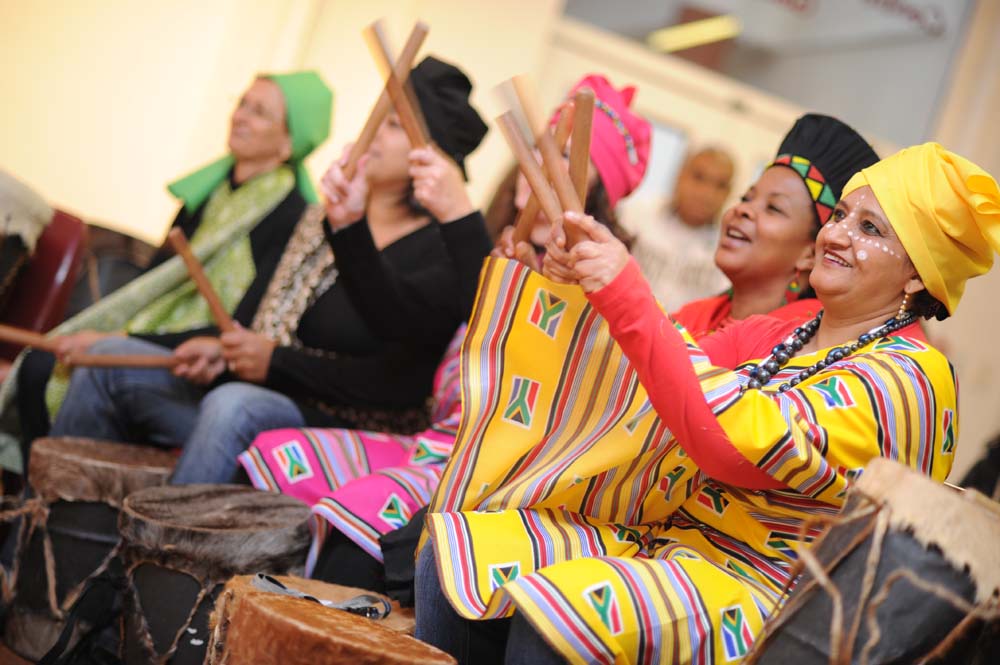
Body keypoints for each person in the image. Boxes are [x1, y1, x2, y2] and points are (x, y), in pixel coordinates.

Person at [416, 142, 999, 664]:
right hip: (671, 549)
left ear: (917, 277)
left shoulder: (910, 379)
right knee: (463, 547)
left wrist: (625, 290)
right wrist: (582, 286)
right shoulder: (790, 331)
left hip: (767, 597)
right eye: (842, 214)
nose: (838, 233)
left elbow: (733, 441)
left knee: (565, 611)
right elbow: (650, 373)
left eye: (871, 228)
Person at [241, 72, 655, 597]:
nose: (540, 175)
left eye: (566, 164)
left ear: (596, 195)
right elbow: (400, 322)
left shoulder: (600, 282)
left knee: (360, 516)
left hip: (498, 470)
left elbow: (539, 404)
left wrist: (463, 222)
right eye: (539, 155)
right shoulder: (497, 247)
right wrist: (350, 227)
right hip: (433, 442)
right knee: (273, 453)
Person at [48, 56, 492, 486]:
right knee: (110, 362)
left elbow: (397, 378)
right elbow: (256, 321)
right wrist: (223, 353)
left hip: (337, 431)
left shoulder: (444, 251)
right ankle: (46, 533)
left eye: (394, 124)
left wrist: (274, 363)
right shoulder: (322, 220)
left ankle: (167, 554)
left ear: (432, 155)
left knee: (234, 405)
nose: (372, 133)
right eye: (377, 115)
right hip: (258, 398)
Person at [3, 71, 332, 473]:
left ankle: (57, 509)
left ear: (288, 143)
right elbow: (153, 286)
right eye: (242, 103)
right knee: (39, 363)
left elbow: (249, 325)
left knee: (55, 368)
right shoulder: (209, 190)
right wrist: (114, 332)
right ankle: (32, 504)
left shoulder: (293, 218)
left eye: (259, 112)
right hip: (155, 337)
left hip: (204, 362)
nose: (240, 116)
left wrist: (114, 340)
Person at [623, 147, 735, 311]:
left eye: (720, 185)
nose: (707, 193)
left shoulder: (729, 252)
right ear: (680, 175)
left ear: (729, 192)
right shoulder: (635, 215)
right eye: (699, 177)